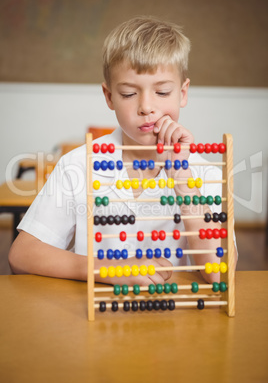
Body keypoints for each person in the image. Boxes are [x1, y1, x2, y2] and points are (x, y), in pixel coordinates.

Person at [9, 16, 237, 285]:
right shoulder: (78, 165)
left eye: (162, 92)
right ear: (109, 97)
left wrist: (183, 179)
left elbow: (218, 273)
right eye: (129, 94)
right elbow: (21, 256)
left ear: (183, 93)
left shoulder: (203, 173)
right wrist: (108, 269)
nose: (146, 107)